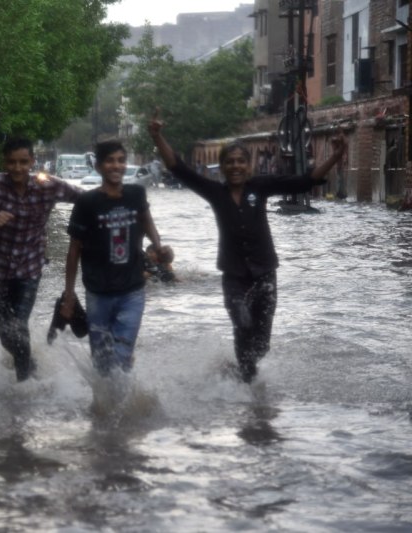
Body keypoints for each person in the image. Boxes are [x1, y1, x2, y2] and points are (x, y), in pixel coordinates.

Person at [148, 109, 347, 383]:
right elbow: (178, 168)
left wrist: (335, 157)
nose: (236, 166)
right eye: (230, 162)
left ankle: (243, 376)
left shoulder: (260, 187)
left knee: (261, 345)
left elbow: (305, 181)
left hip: (265, 273)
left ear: (249, 165)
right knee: (242, 321)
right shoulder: (215, 192)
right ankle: (245, 390)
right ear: (223, 167)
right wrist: (157, 136)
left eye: (241, 161)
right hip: (234, 277)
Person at [0, 137, 82, 382]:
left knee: (18, 327)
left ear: (32, 162)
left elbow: (84, 198)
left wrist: (86, 229)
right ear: (4, 162)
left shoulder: (48, 185)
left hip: (30, 268)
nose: (17, 168)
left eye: (23, 162)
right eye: (12, 162)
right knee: (6, 336)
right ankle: (30, 364)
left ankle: (24, 384)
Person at [61, 140, 165, 377]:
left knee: (121, 354)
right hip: (98, 292)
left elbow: (147, 222)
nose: (116, 166)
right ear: (98, 167)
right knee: (101, 362)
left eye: (120, 160)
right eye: (109, 161)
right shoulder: (86, 203)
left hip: (132, 290)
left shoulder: (136, 194)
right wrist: (69, 295)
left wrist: (158, 246)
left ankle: (124, 406)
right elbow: (74, 250)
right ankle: (104, 408)